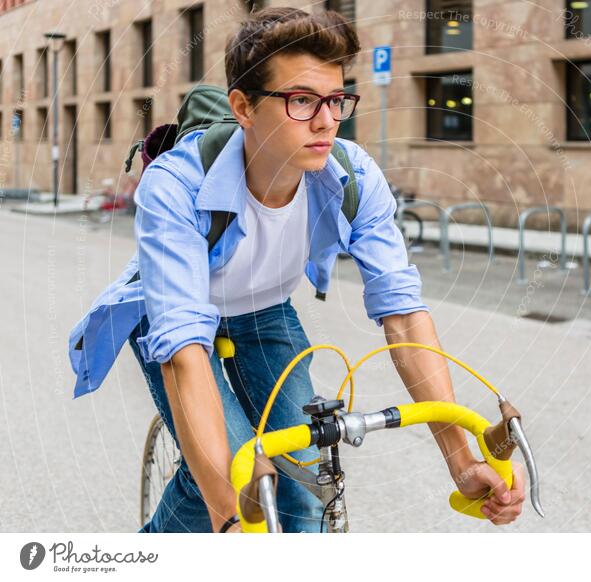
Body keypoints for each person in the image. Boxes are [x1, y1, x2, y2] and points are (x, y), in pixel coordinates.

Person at [68, 7, 526, 533]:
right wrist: (230, 522)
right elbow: (183, 351)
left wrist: (461, 461)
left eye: (336, 99)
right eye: (302, 101)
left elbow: (403, 314)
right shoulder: (176, 184)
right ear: (243, 106)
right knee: (231, 482)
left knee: (305, 481)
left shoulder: (351, 175)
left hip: (265, 312)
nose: (328, 119)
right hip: (173, 320)